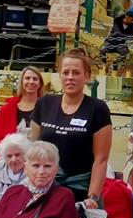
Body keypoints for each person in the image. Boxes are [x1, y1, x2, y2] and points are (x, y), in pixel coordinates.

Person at [29, 48, 111, 204]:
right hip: (45, 187)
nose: (70, 78)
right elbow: (33, 150)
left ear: (87, 76)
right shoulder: (44, 104)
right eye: (65, 72)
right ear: (59, 75)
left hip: (80, 189)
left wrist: (92, 197)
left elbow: (101, 159)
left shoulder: (97, 109)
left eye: (76, 73)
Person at [0, 66, 46, 144]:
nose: (31, 81)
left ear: (40, 84)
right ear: (21, 82)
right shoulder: (7, 109)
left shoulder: (48, 108)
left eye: (35, 79)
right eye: (27, 78)